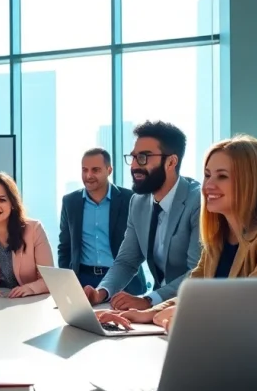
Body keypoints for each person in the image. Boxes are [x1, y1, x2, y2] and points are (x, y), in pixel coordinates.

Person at [98, 135, 257, 332]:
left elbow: (252, 303)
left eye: (222, 176)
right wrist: (148, 313)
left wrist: (184, 314)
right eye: (207, 175)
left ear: (251, 182)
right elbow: (193, 290)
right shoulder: (219, 236)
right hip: (224, 349)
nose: (208, 186)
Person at [86, 120, 202, 310]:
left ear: (171, 162)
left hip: (192, 308)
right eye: (133, 157)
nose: (134, 166)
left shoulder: (197, 201)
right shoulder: (138, 202)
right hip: (157, 310)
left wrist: (148, 300)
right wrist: (102, 292)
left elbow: (197, 272)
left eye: (143, 157)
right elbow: (127, 261)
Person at [58, 147, 146, 292]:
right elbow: (65, 247)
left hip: (123, 279)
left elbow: (143, 244)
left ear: (109, 170)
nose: (88, 175)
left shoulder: (130, 199)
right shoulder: (70, 202)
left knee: (122, 316)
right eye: (84, 170)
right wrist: (67, 282)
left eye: (95, 170)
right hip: (83, 280)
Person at [0, 173, 53, 298]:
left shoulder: (34, 229)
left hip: (29, 302)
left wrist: (30, 288)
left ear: (12, 203)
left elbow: (50, 279)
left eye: (2, 200)